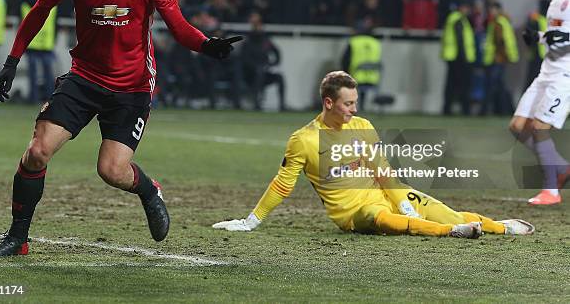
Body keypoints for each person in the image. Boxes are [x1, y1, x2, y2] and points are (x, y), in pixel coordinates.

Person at [0, 0, 242, 258]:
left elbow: (178, 26)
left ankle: (149, 190)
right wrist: (11, 62)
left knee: (112, 170)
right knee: (37, 152)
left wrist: (206, 44)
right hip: (84, 77)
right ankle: (17, 238)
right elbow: (39, 11)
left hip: (132, 85)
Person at [213, 71, 535, 239]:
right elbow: (282, 185)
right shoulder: (304, 140)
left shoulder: (363, 126)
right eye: (348, 104)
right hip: (355, 216)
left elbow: (382, 171)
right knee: (379, 219)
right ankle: (452, 233)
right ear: (328, 102)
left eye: (355, 102)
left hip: (387, 194)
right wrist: (250, 221)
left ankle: (499, 227)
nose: (355, 110)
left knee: (446, 213)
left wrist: (405, 203)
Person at [511, 0, 570, 206]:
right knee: (517, 127)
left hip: (565, 74)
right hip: (547, 70)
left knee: (539, 127)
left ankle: (551, 191)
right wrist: (538, 37)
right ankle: (561, 167)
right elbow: (556, 33)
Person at [240, 11, 285, 110]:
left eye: (260, 26)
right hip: (250, 74)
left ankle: (282, 105)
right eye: (256, 26)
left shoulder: (266, 40)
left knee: (279, 77)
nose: (258, 28)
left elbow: (277, 52)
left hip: (264, 72)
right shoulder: (248, 42)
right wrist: (255, 67)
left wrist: (273, 63)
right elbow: (244, 59)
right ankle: (257, 104)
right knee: (258, 74)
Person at [479, 2, 519, 116]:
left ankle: (488, 110)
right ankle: (505, 109)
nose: (491, 12)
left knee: (492, 85)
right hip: (500, 58)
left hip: (498, 59)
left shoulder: (498, 23)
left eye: (492, 9)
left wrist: (499, 56)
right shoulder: (502, 22)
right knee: (500, 85)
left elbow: (501, 42)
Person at [441, 0, 476, 115]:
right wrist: (464, 57)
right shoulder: (458, 20)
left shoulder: (454, 18)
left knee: (451, 85)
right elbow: (460, 40)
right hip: (459, 58)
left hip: (453, 57)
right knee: (463, 85)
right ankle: (465, 110)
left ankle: (447, 109)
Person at [341, 17, 381, 111]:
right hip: (373, 78)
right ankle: (362, 107)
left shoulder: (354, 42)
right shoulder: (376, 43)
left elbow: (345, 61)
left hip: (355, 77)